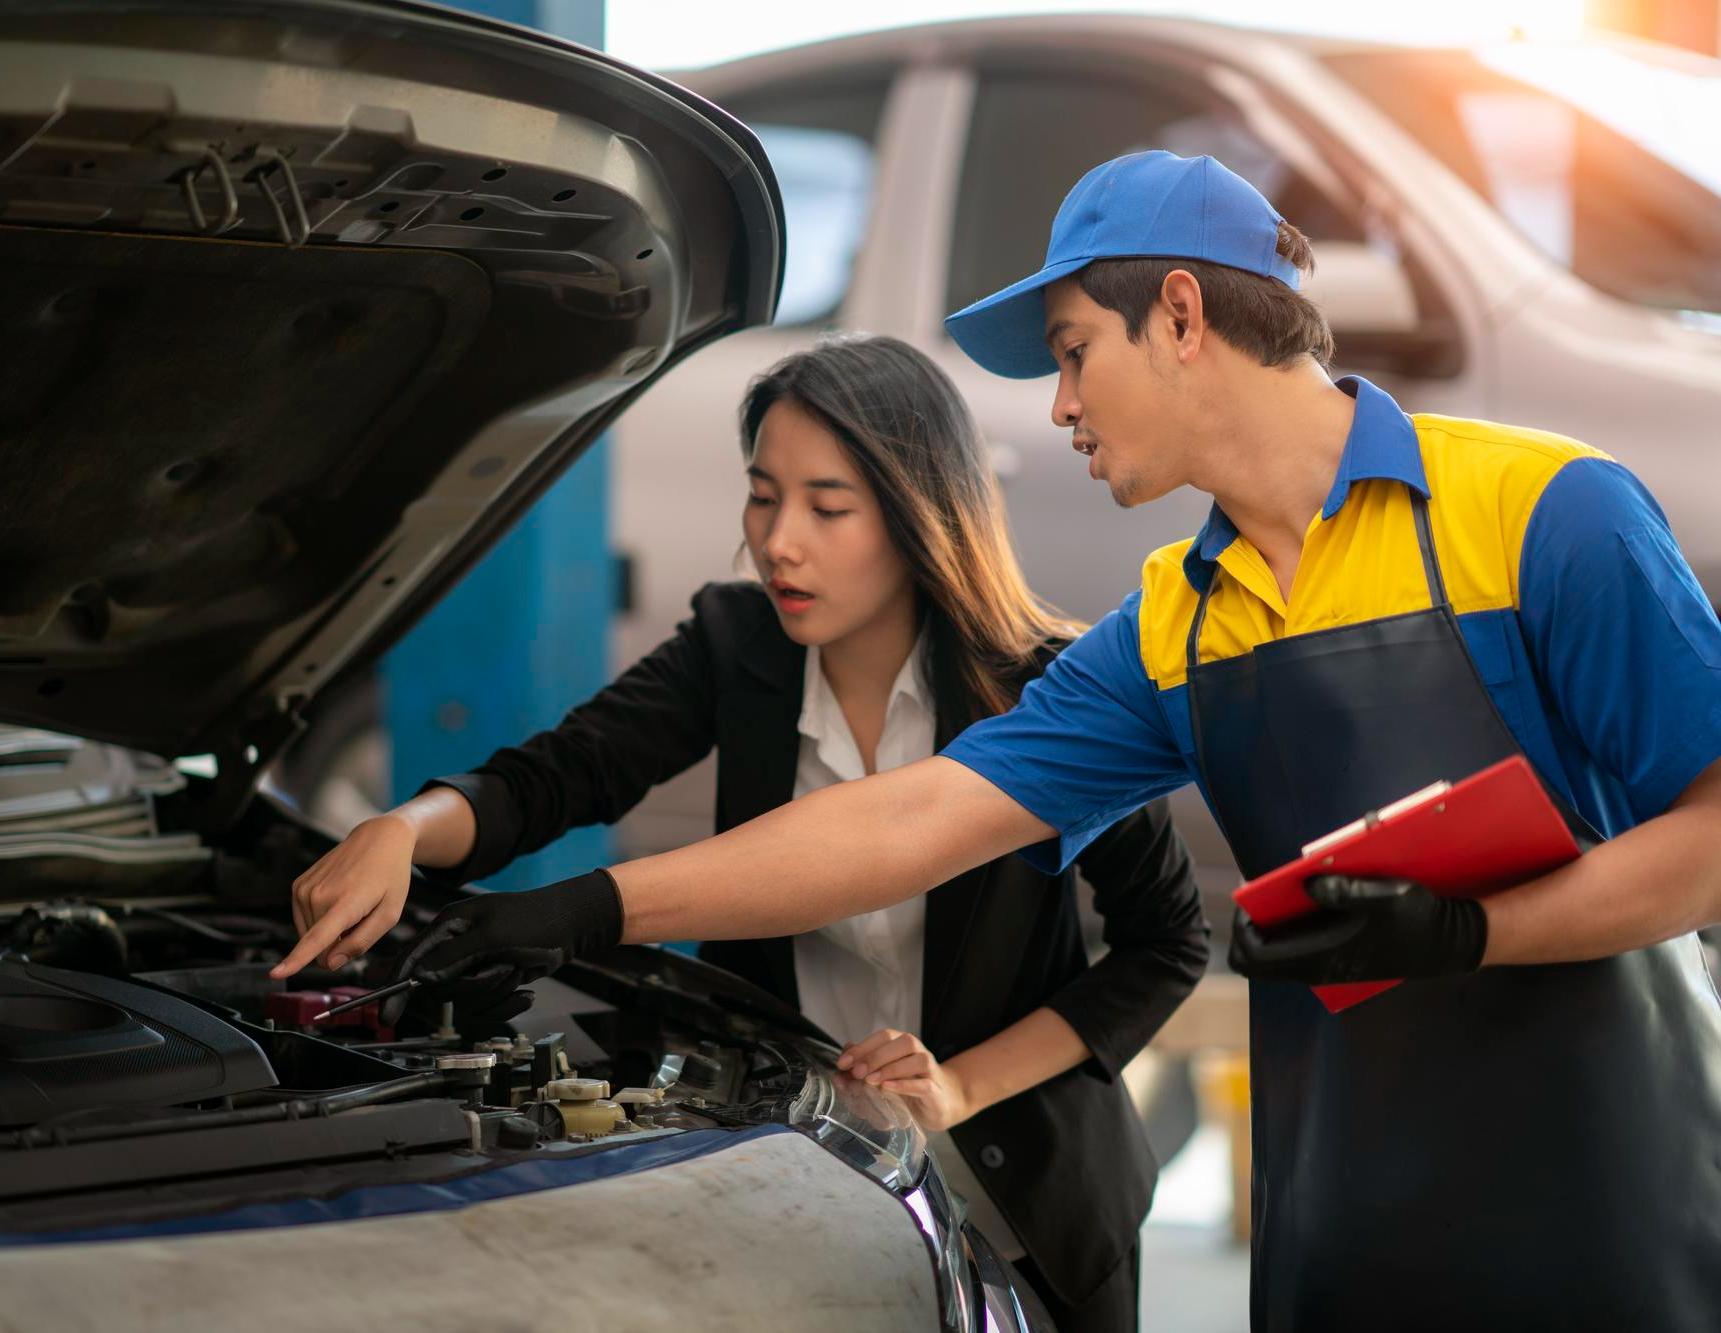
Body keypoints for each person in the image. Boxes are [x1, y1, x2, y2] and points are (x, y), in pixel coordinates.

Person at [363, 152, 1721, 1332]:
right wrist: (575, 910)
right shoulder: (1170, 631)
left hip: (1610, 1199)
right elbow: (901, 820)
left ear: (1179, 313)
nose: (1059, 407)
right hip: (1345, 1225)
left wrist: (1469, 933)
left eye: (1074, 351)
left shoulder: (1549, 514)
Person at [274, 334, 1207, 1329]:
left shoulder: (1042, 690)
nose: (779, 541)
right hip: (788, 1190)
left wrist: (960, 1084)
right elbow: (562, 773)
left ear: (917, 515)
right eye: (762, 496)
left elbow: (1166, 940)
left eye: (826, 506)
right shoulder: (734, 644)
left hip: (1026, 1205)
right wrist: (404, 829)